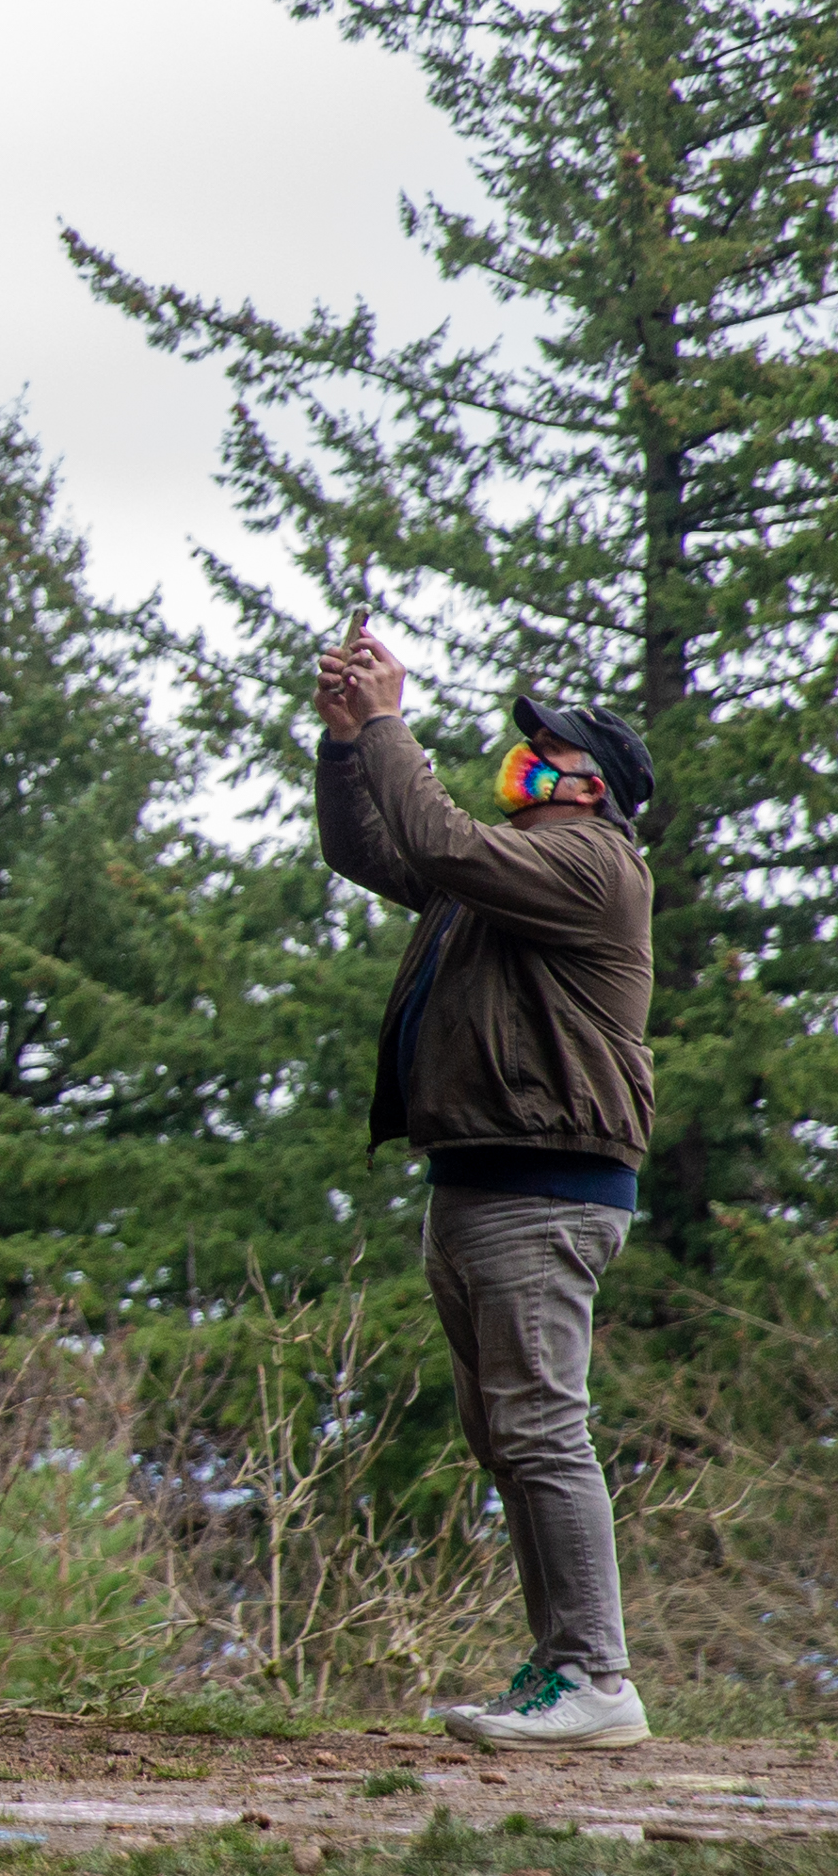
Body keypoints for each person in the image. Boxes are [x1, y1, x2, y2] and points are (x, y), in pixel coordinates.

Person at [316, 627, 656, 1751]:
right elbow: (379, 851)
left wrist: (386, 723)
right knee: (508, 1437)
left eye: (534, 758)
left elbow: (436, 836)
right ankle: (562, 1671)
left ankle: (597, 1680)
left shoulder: (588, 865)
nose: (515, 770)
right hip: (476, 1184)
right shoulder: (501, 880)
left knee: (543, 1432)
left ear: (586, 786)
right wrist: (341, 749)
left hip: (544, 1189)